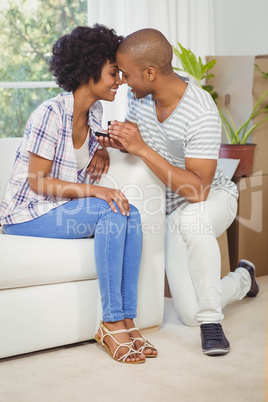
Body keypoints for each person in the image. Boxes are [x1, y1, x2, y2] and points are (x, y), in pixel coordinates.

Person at [0, 25, 158, 363]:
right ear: (89, 71)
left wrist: (100, 149)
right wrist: (97, 190)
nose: (121, 80)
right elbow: (38, 182)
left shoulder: (94, 115)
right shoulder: (49, 113)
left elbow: (80, 159)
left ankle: (128, 321)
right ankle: (111, 321)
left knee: (131, 212)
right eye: (114, 72)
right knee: (109, 206)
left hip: (58, 210)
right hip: (27, 214)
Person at [97, 28, 259, 356]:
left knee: (193, 223)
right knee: (188, 313)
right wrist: (122, 144)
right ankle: (244, 278)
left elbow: (197, 190)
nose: (123, 82)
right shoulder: (139, 97)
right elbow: (147, 149)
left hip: (213, 198)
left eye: (127, 74)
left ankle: (213, 323)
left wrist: (141, 147)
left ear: (151, 73)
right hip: (173, 210)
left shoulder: (199, 111)